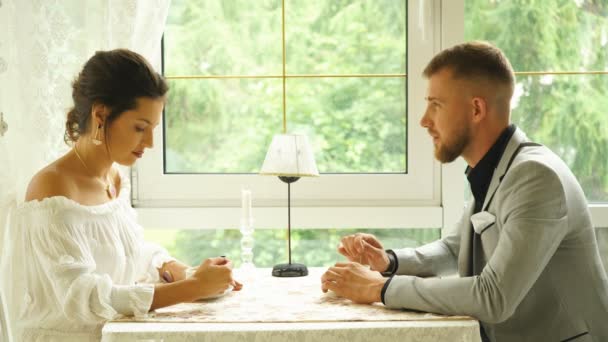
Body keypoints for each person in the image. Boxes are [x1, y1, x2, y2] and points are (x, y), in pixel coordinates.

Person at [321, 41, 608, 342]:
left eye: (436, 104)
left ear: (476, 109)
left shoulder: (536, 177)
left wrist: (378, 288)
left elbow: (493, 296)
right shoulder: (500, 167)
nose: (424, 120)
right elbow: (454, 249)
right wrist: (389, 262)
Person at [2, 49, 242, 342]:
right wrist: (193, 289)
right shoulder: (52, 189)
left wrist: (182, 271)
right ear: (101, 115)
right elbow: (84, 297)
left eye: (152, 128)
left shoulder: (113, 178)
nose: (151, 143)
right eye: (140, 128)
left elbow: (128, 254)